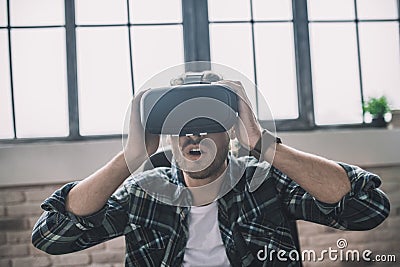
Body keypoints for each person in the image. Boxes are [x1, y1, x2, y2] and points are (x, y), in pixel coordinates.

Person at [32, 74, 390, 267]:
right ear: (172, 139)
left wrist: (265, 145)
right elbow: (52, 236)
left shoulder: (263, 182)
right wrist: (129, 158)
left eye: (206, 122)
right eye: (182, 125)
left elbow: (367, 208)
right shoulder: (144, 192)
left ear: (229, 133)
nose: (194, 134)